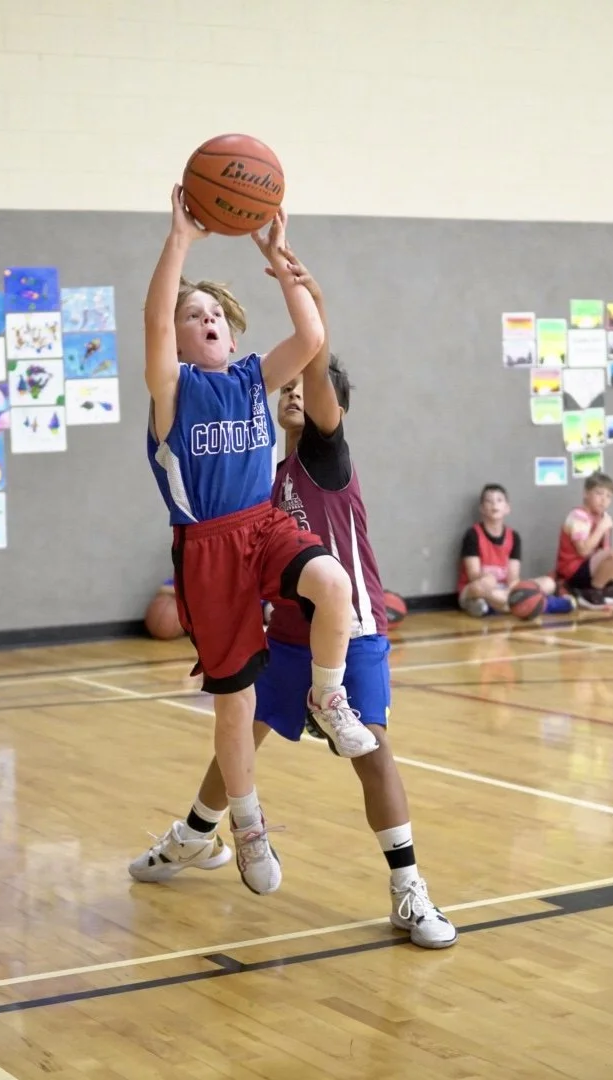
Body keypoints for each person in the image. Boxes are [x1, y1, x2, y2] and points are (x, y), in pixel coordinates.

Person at [134, 243, 457, 948]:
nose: (290, 399)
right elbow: (167, 334)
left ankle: (408, 889)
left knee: (372, 751)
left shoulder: (325, 454)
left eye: (301, 393)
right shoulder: (263, 470)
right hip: (281, 628)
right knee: (236, 732)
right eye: (199, 314)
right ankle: (200, 833)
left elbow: (310, 348)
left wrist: (294, 280)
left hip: (349, 630)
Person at [144, 187, 377, 896]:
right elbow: (152, 321)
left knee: (332, 582)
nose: (205, 319)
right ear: (180, 340)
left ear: (234, 335)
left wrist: (279, 261)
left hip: (263, 524)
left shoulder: (251, 379)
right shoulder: (173, 392)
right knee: (236, 705)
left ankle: (327, 699)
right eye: (194, 315)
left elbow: (310, 343)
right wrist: (180, 240)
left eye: (215, 313)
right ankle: (245, 826)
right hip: (209, 548)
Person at [457, 484, 575, 617]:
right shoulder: (473, 534)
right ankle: (542, 605)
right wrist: (488, 578)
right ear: (482, 509)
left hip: (504, 590)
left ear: (507, 508)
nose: (494, 504)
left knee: (548, 583)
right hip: (477, 588)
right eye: (489, 501)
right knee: (481, 586)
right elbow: (473, 575)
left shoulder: (513, 536)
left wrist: (514, 590)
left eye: (499, 500)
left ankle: (497, 606)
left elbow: (513, 578)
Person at [554, 472, 613, 610]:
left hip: (591, 568)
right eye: (599, 493)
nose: (604, 500)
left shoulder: (603, 517)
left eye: (608, 496)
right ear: (586, 494)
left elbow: (605, 550)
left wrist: (604, 528)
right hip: (573, 572)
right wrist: (601, 528)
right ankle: (592, 592)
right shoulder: (578, 516)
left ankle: (607, 588)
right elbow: (584, 551)